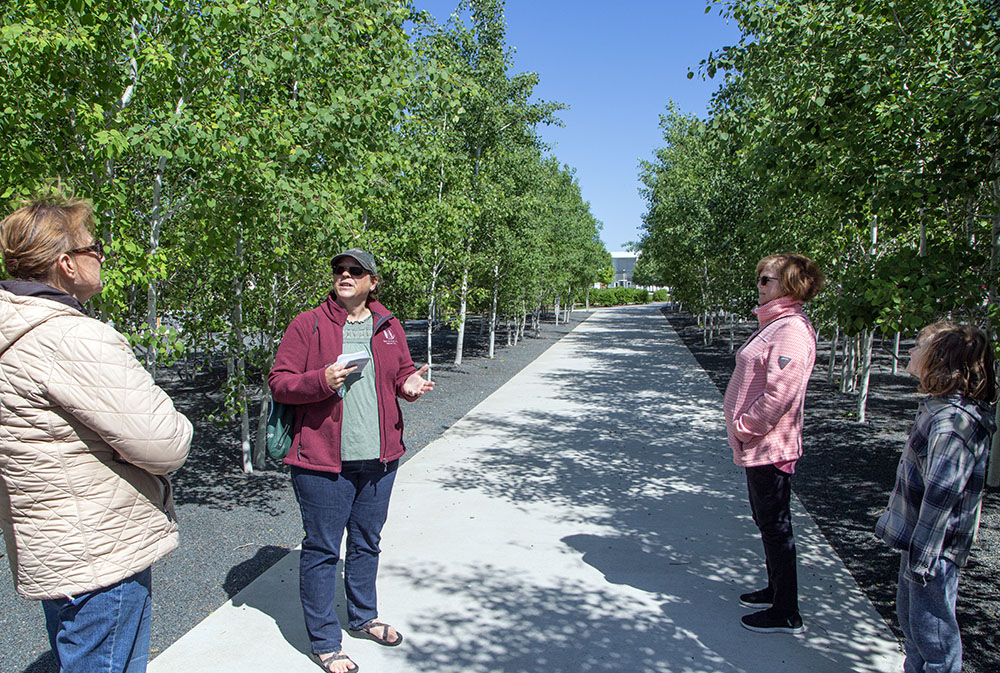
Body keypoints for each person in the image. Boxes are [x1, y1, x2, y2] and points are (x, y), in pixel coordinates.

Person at [0, 190, 193, 673]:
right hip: (99, 548)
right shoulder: (70, 336)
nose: (101, 256)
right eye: (94, 247)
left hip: (50, 539)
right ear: (66, 264)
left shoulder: (12, 329)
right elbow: (164, 442)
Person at [269, 248, 433, 673]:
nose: (345, 275)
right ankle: (325, 642)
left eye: (355, 271)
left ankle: (363, 616)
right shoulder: (308, 324)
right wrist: (319, 381)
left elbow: (400, 374)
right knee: (323, 549)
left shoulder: (388, 325)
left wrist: (410, 383)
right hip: (324, 461)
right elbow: (280, 384)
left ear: (371, 281)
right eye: (339, 270)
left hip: (379, 458)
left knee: (366, 542)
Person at [875, 322, 996, 673]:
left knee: (935, 641)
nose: (910, 352)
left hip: (932, 552)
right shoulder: (937, 409)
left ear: (941, 360)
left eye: (919, 346)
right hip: (920, 545)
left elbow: (941, 498)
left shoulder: (951, 424)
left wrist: (922, 561)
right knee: (914, 631)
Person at [723, 253, 824, 634]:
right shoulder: (776, 323)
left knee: (776, 525)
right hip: (758, 445)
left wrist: (744, 426)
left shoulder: (791, 330)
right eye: (760, 279)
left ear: (789, 285)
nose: (759, 285)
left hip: (769, 445)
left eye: (766, 280)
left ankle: (786, 610)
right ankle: (776, 590)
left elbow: (780, 395)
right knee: (767, 522)